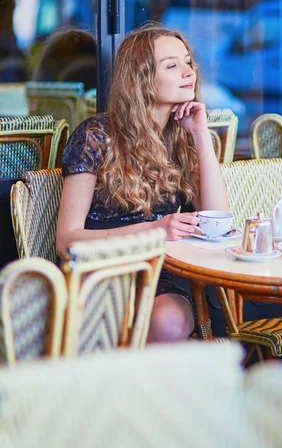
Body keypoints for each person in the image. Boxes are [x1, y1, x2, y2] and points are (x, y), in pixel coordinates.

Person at [56, 23, 229, 343]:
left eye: (188, 62)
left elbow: (216, 221)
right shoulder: (96, 135)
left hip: (159, 274)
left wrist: (201, 135)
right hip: (101, 273)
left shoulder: (181, 136)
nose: (188, 72)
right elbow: (67, 243)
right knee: (171, 326)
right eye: (172, 65)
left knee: (171, 320)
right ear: (142, 78)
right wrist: (155, 230)